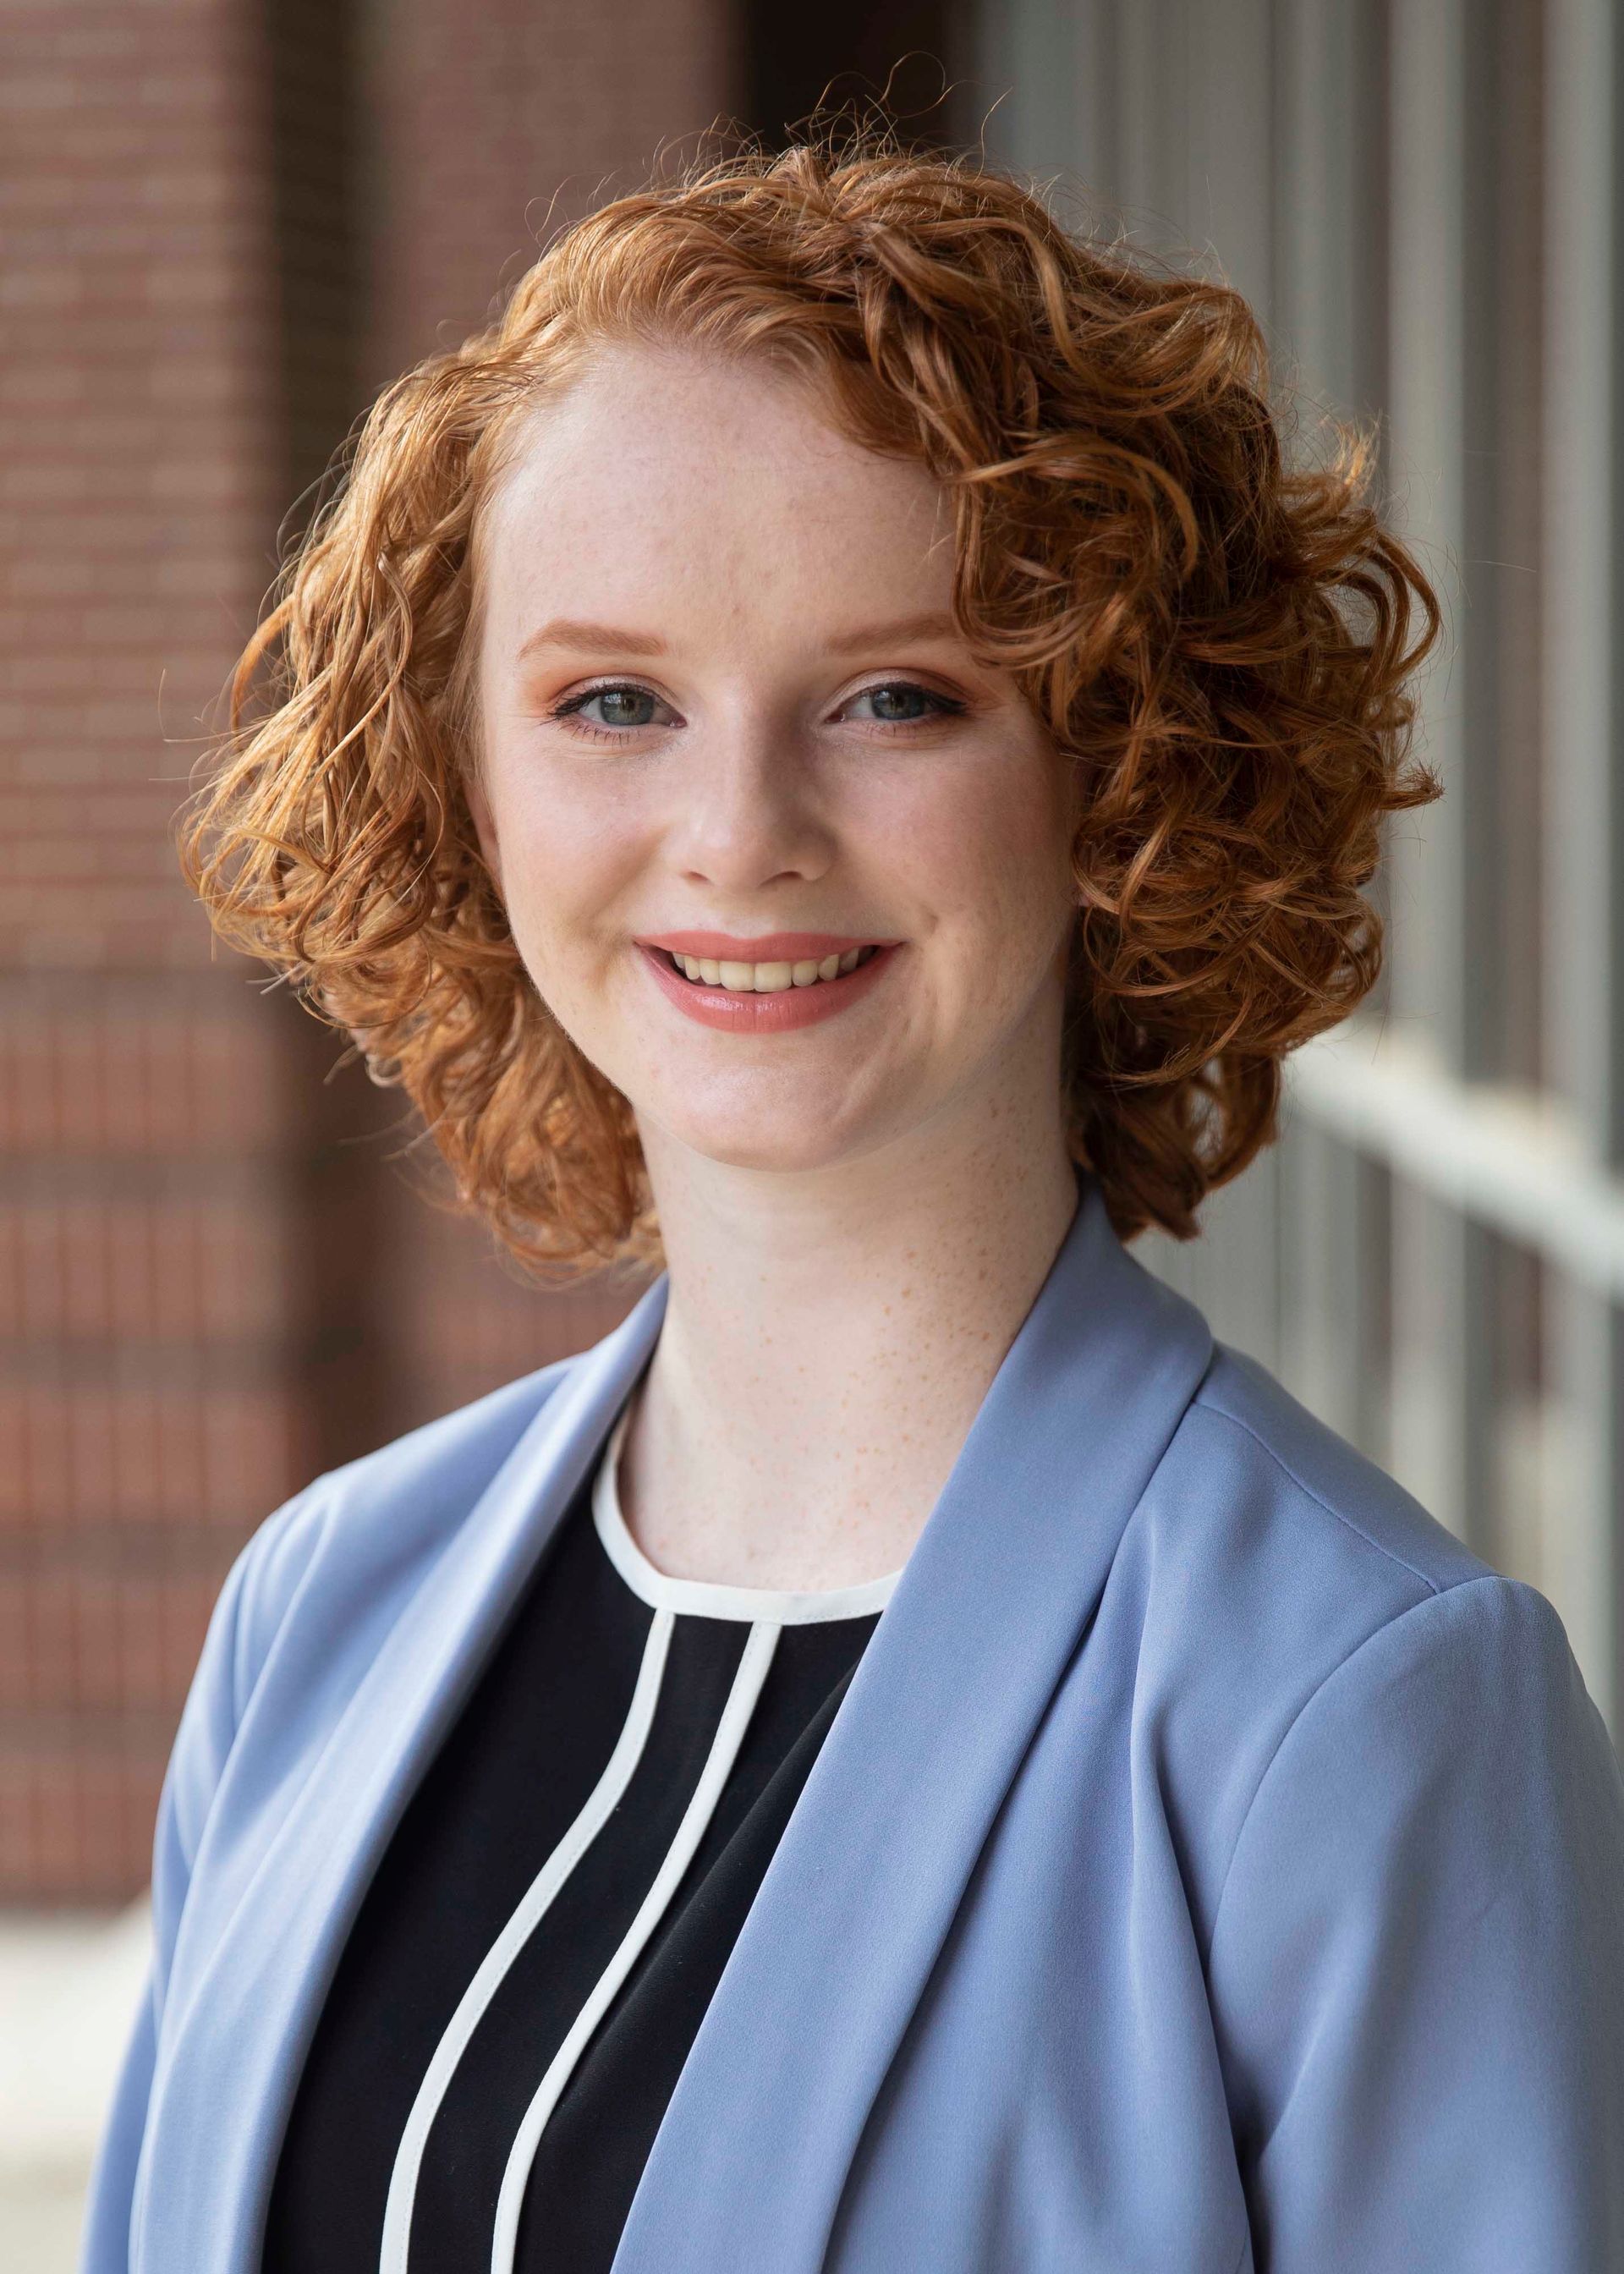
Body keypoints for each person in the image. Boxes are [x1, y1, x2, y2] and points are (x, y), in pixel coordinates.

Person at [83, 138, 1624, 2274]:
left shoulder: (1347, 1704)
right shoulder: (316, 1615)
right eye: (613, 700)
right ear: (466, 772)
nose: (739, 833)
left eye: (898, 696)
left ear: (1123, 766)